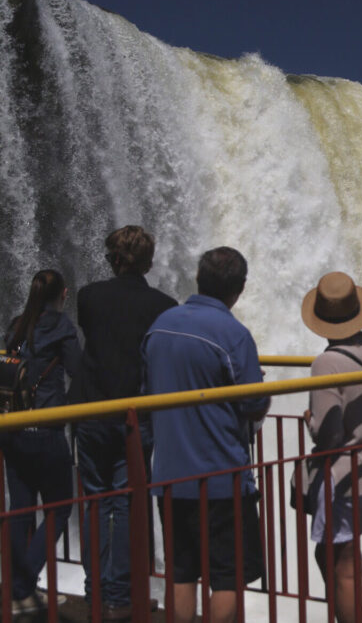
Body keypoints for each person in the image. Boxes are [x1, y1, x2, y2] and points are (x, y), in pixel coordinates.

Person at [142, 246, 267, 623]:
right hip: (221, 479)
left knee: (181, 572)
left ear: (198, 278)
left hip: (169, 476)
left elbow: (148, 389)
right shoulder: (233, 334)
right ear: (239, 289)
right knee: (227, 577)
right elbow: (253, 404)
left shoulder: (160, 325)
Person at [69, 225, 176, 620]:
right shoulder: (163, 306)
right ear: (148, 260)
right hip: (133, 415)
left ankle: (94, 589)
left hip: (89, 413)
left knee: (94, 501)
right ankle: (119, 594)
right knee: (127, 501)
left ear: (114, 258)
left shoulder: (88, 297)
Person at [299, 271, 362, 623]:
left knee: (341, 564)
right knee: (338, 558)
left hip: (347, 476)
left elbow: (327, 434)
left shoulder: (326, 363)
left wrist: (309, 419)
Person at [1, 270, 80, 614]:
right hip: (47, 431)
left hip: (14, 429)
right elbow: (78, 369)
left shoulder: (16, 325)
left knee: (21, 511)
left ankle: (20, 589)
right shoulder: (63, 327)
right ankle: (21, 585)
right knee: (60, 507)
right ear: (62, 294)